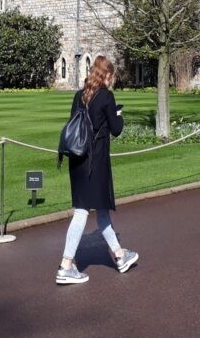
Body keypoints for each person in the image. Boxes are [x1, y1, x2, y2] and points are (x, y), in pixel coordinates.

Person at [56, 55, 139, 284]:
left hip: (77, 160)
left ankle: (120, 255)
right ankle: (66, 265)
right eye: (111, 75)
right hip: (96, 162)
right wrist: (119, 115)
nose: (112, 79)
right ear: (107, 75)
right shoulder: (106, 96)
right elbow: (116, 129)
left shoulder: (78, 96)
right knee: (83, 212)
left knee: (99, 210)